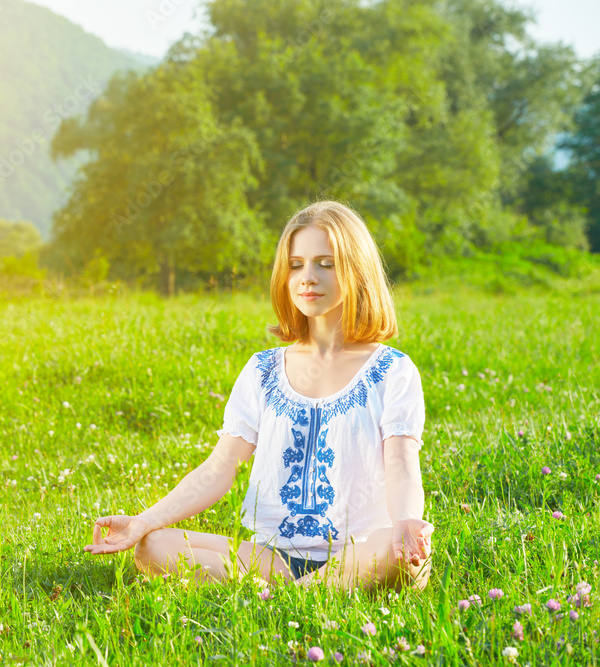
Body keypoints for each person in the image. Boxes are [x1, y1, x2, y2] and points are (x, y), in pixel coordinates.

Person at [83, 200, 433, 592]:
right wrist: (143, 521)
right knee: (153, 547)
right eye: (296, 264)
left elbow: (402, 462)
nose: (308, 278)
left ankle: (293, 597)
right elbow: (220, 468)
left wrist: (405, 522)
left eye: (326, 263)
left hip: (360, 551)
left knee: (397, 554)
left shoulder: (392, 370)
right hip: (272, 558)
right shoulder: (262, 370)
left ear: (356, 269)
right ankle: (310, 593)